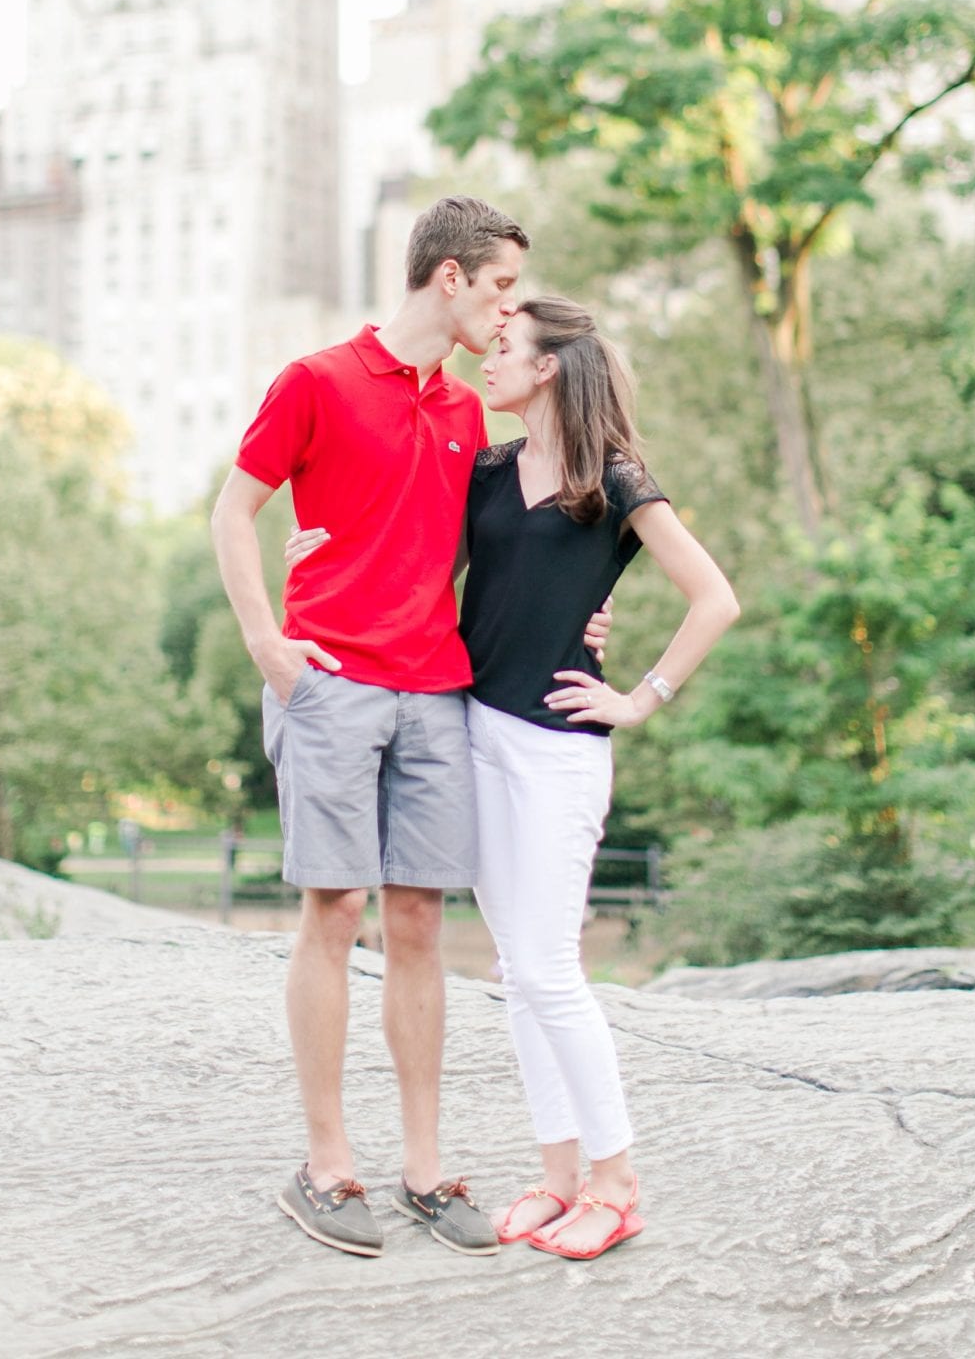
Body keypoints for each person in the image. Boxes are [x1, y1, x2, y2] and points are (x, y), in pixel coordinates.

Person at [290, 295, 740, 1263]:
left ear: (548, 369)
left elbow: (715, 597)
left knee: (548, 971)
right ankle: (559, 1174)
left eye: (505, 349)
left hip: (557, 752)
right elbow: (404, 558)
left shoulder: (616, 482)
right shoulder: (489, 472)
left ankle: (617, 1185)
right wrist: (310, 561)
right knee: (516, 973)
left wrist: (641, 694)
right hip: (472, 731)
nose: (486, 362)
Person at [210, 199, 609, 1260]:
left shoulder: (468, 415)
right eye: (499, 289)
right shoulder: (315, 381)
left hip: (437, 686)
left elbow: (512, 545)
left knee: (424, 923)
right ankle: (327, 1165)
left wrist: (586, 611)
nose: (507, 310)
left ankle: (425, 1171)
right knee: (335, 909)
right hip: (332, 682)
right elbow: (232, 511)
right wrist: (268, 643)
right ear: (450, 280)